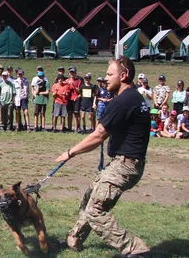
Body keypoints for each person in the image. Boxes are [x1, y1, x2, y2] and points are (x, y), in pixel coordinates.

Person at [57, 56, 150, 256]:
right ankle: (73, 239)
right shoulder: (134, 97)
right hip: (123, 162)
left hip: (125, 166)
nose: (106, 78)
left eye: (110, 74)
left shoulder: (123, 101)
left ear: (123, 76)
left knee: (95, 210)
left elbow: (98, 135)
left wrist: (70, 152)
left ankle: (135, 248)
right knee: (90, 198)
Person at [67, 66, 82, 132]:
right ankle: (69, 128)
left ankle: (76, 128)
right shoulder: (67, 80)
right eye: (71, 72)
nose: (72, 74)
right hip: (69, 99)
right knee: (69, 113)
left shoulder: (78, 81)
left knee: (76, 113)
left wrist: (74, 86)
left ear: (75, 73)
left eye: (73, 72)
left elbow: (79, 91)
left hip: (76, 98)